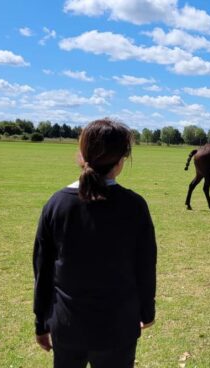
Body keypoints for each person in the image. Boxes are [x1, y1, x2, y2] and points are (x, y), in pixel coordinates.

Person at [33, 119, 156, 368]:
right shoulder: (134, 206)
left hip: (66, 325)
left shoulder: (56, 204)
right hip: (117, 326)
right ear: (121, 161)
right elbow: (145, 266)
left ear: (82, 154)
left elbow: (42, 269)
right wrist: (147, 311)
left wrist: (41, 322)